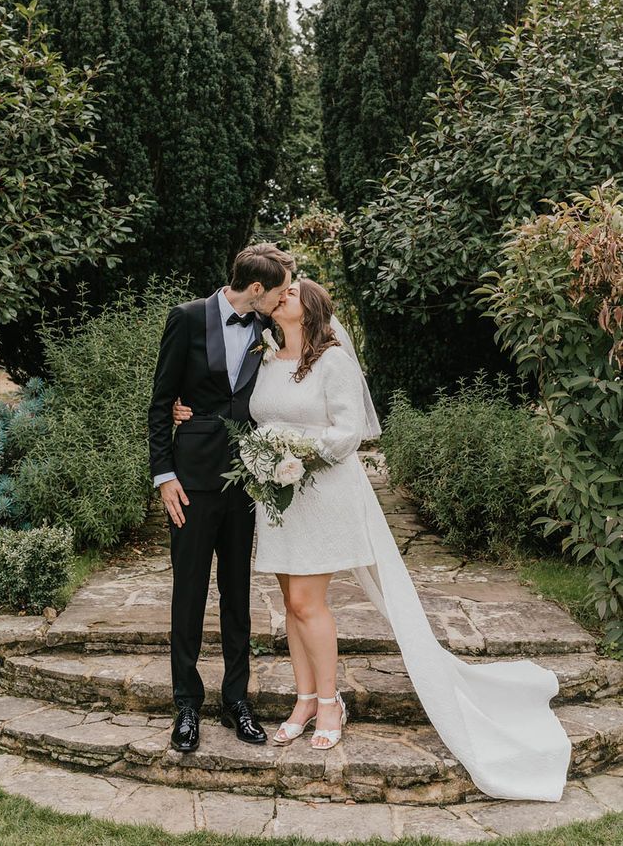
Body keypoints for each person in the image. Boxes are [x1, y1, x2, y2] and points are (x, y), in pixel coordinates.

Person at [174, 277, 572, 801]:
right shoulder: (264, 357)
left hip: (320, 490)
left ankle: (332, 701)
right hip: (279, 497)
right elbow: (239, 408)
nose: (278, 299)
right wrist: (192, 411)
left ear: (310, 309)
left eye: (289, 295)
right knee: (291, 605)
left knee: (306, 601)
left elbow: (349, 431)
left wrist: (295, 451)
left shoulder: (332, 360)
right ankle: (304, 698)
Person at [147, 242, 294, 753]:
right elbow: (161, 401)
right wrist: (164, 474)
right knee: (187, 594)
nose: (281, 300)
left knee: (238, 595)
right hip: (189, 481)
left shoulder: (269, 331)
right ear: (256, 288)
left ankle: (237, 700)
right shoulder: (187, 318)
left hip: (246, 481)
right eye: (277, 292)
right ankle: (186, 703)